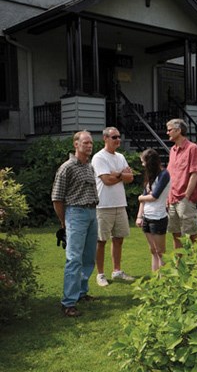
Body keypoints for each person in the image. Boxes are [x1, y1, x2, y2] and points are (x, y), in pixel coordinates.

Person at [51, 131, 99, 317]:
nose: (89, 145)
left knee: (88, 257)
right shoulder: (67, 167)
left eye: (91, 143)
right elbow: (57, 198)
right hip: (76, 213)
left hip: (92, 213)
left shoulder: (89, 166)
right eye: (86, 143)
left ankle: (81, 292)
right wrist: (64, 221)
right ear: (76, 144)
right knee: (74, 259)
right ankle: (68, 303)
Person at [91, 127, 135, 286]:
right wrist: (121, 175)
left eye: (119, 137)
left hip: (120, 204)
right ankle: (100, 274)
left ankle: (117, 271)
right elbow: (106, 180)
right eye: (114, 137)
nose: (118, 140)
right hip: (103, 205)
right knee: (101, 241)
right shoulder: (99, 157)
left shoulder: (121, 156)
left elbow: (130, 178)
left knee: (118, 239)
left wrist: (116, 174)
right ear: (105, 139)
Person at [166, 118, 197, 249]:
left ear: (178, 130)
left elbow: (195, 173)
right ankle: (179, 266)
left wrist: (187, 196)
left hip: (185, 199)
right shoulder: (172, 151)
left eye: (169, 130)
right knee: (176, 235)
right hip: (172, 199)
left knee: (192, 234)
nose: (167, 132)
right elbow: (170, 176)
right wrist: (168, 197)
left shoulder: (192, 148)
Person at [136, 148, 170, 272]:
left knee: (161, 251)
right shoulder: (150, 177)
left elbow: (154, 196)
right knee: (153, 250)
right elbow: (146, 198)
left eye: (143, 162)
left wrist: (140, 197)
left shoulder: (164, 175)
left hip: (158, 218)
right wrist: (139, 216)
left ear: (150, 162)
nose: (142, 164)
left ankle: (163, 281)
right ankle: (155, 280)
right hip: (147, 217)